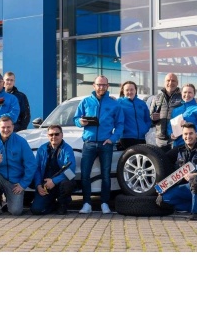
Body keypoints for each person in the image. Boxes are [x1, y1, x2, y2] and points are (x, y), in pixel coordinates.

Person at [74, 75, 124, 215]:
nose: (101, 87)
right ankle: (86, 203)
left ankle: (104, 203)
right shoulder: (85, 101)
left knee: (106, 175)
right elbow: (76, 119)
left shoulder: (114, 104)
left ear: (107, 86)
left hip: (105, 144)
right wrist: (80, 122)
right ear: (94, 85)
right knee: (85, 174)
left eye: (104, 85)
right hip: (89, 143)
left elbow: (120, 124)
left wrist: (112, 139)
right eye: (99, 84)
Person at [158, 123, 197, 221]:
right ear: (182, 136)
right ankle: (193, 205)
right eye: (185, 134)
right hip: (186, 187)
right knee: (162, 200)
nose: (188, 136)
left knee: (196, 179)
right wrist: (164, 185)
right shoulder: (180, 151)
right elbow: (175, 174)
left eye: (191, 133)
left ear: (196, 135)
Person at [0, 116, 36, 216]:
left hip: (15, 182)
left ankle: (8, 203)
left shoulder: (21, 142)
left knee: (16, 211)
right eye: (3, 127)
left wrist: (23, 184)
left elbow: (31, 164)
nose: (6, 130)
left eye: (8, 127)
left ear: (13, 127)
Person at [30, 125, 77, 215]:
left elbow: (71, 170)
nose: (54, 137)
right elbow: (37, 169)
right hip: (46, 184)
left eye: (56, 134)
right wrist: (38, 185)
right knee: (36, 210)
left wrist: (54, 181)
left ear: (62, 135)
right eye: (51, 135)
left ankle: (62, 204)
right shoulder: (42, 149)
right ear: (48, 136)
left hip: (60, 183)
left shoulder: (67, 149)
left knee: (67, 183)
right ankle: (52, 204)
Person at [168, 83, 197, 148]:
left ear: (194, 94)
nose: (187, 95)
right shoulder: (176, 110)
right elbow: (170, 126)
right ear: (181, 93)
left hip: (194, 146)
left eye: (190, 92)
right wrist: (171, 134)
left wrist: (189, 126)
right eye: (185, 92)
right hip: (178, 145)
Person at [150, 73, 182, 151]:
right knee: (160, 158)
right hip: (160, 139)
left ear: (177, 83)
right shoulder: (156, 98)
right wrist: (153, 119)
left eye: (173, 81)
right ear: (164, 82)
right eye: (168, 80)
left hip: (176, 138)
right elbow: (150, 118)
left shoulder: (182, 98)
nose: (170, 83)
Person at [117, 80, 151, 149]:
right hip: (126, 138)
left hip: (141, 138)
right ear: (123, 91)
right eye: (127, 90)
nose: (130, 92)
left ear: (135, 90)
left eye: (132, 89)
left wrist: (144, 129)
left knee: (141, 155)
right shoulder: (118, 103)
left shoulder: (142, 103)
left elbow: (147, 119)